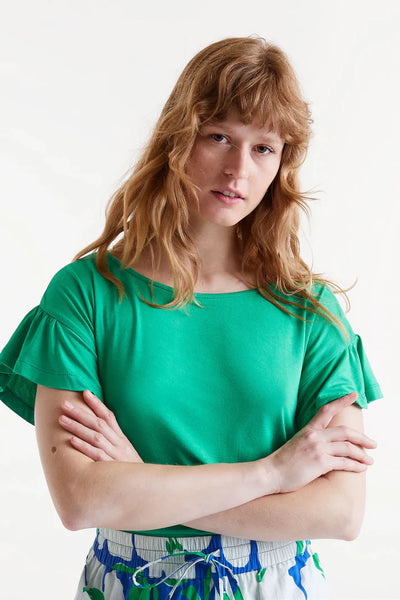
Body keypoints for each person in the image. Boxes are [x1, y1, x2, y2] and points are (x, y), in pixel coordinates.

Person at [0, 36, 382, 600]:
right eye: (219, 136)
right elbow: (82, 501)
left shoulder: (312, 312)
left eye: (264, 148)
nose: (238, 169)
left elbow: (340, 512)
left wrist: (142, 486)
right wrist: (273, 475)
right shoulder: (86, 294)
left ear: (282, 165)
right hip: (129, 584)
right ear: (178, 138)